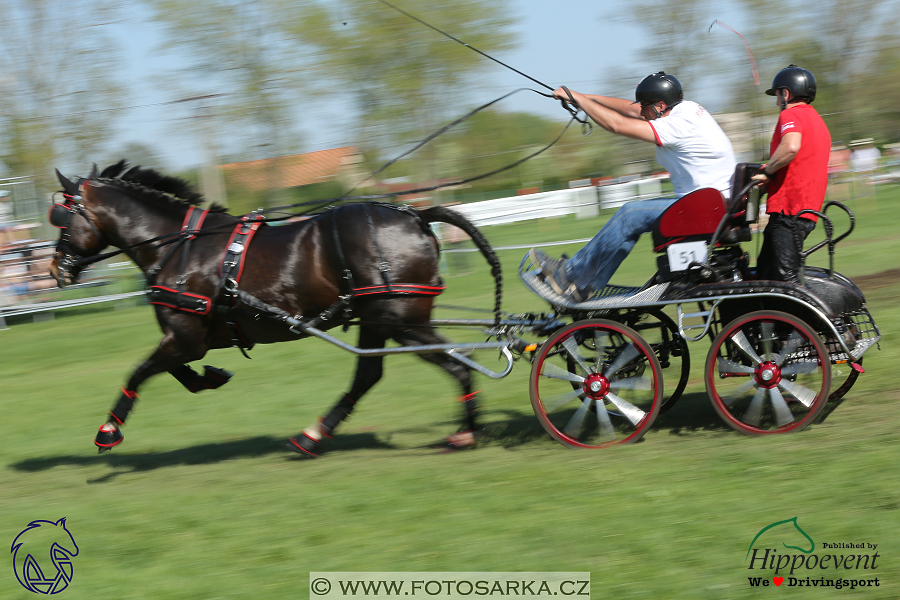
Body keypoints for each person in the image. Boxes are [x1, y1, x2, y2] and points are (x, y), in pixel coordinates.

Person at [527, 72, 736, 301]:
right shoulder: (685, 108)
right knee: (631, 219)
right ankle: (584, 284)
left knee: (629, 215)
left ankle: (571, 276)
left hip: (706, 210)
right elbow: (630, 110)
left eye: (645, 106)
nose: (641, 112)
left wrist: (580, 100)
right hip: (711, 205)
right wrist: (581, 97)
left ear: (660, 105)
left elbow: (616, 124)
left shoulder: (677, 125)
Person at [751, 65, 831, 284]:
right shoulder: (816, 119)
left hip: (789, 212)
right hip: (804, 212)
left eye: (777, 95)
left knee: (784, 283)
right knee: (766, 276)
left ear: (785, 93)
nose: (777, 102)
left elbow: (791, 147)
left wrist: (767, 171)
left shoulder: (791, 114)